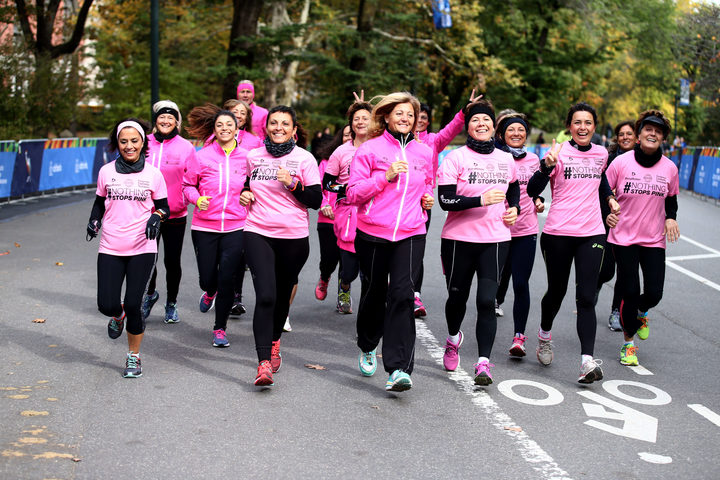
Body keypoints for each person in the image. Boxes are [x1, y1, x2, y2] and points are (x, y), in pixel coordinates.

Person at [345, 92, 434, 392]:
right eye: (399, 113)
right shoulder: (370, 149)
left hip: (411, 232)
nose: (405, 119)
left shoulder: (424, 152)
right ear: (385, 116)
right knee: (373, 292)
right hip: (372, 232)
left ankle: (398, 368)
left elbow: (427, 182)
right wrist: (385, 177)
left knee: (402, 295)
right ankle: (368, 343)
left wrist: (427, 198)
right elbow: (353, 193)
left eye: (410, 114)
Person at [527, 102, 619, 384]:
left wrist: (609, 199)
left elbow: (600, 178)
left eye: (588, 122)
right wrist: (546, 165)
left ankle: (586, 362)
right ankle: (544, 335)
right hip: (558, 232)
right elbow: (532, 190)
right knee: (557, 290)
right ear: (570, 126)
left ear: (594, 126)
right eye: (577, 122)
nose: (583, 127)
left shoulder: (602, 153)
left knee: (587, 297)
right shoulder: (558, 153)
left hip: (592, 232)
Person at [437, 99, 520, 385]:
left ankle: (483, 362)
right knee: (457, 297)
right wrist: (480, 200)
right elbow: (445, 200)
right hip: (458, 240)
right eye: (475, 120)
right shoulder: (455, 158)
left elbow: (514, 188)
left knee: (487, 301)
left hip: (495, 239)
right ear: (468, 127)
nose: (481, 124)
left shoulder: (506, 158)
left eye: (486, 120)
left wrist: (514, 209)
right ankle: (452, 339)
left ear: (493, 125)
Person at [240, 105, 322, 387]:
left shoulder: (304, 159)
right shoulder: (254, 157)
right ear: (267, 128)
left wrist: (293, 184)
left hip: (293, 238)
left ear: (294, 130)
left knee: (281, 295)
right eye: (273, 123)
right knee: (265, 296)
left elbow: (315, 199)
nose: (278, 128)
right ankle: (263, 362)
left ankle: (275, 339)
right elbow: (246, 184)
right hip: (257, 231)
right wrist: (245, 194)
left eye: (284, 124)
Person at [87, 118, 169, 377]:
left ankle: (133, 356)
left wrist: (157, 216)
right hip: (111, 244)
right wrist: (93, 220)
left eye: (134, 141)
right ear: (117, 144)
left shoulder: (153, 174)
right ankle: (117, 314)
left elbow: (164, 206)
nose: (129, 146)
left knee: (134, 304)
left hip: (142, 247)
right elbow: (99, 202)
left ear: (143, 142)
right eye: (124, 141)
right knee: (106, 304)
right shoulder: (106, 171)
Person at [605, 110, 679, 366]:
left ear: (663, 139)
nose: (653, 134)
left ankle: (642, 311)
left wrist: (671, 217)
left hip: (653, 239)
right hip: (623, 237)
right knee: (630, 290)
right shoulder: (621, 163)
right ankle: (628, 344)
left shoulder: (669, 168)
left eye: (658, 132)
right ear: (639, 134)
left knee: (654, 293)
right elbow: (603, 190)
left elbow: (671, 198)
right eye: (649, 129)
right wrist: (608, 211)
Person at [183, 104, 248, 348]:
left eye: (229, 124)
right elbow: (187, 185)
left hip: (236, 225)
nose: (224, 128)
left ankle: (220, 328)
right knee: (207, 278)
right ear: (214, 129)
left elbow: (254, 186)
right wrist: (196, 198)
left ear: (237, 128)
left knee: (227, 278)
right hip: (205, 226)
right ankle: (209, 291)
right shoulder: (201, 156)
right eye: (219, 125)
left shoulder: (247, 158)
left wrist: (249, 195)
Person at [410, 97, 478, 317]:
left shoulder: (433, 141)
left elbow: (450, 130)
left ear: (428, 121)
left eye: (423, 118)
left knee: (415, 249)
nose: (419, 121)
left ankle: (414, 295)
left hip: (422, 202)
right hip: (395, 202)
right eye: (415, 116)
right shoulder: (396, 138)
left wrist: (463, 112)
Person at [493, 113, 545, 358]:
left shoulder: (534, 159)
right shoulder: (493, 157)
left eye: (521, 130)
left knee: (521, 284)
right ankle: (487, 328)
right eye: (511, 130)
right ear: (502, 134)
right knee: (492, 282)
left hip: (526, 230)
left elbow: (535, 189)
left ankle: (519, 337)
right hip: (496, 229)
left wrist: (539, 200)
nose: (516, 133)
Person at [141, 101, 196, 324]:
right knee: (147, 260)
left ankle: (171, 303)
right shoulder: (144, 143)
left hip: (174, 213)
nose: (165, 121)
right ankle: (150, 294)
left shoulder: (186, 147)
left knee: (172, 262)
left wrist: (186, 200)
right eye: (161, 117)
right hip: (146, 212)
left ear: (176, 122)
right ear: (156, 120)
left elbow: (192, 179)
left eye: (170, 118)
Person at [323, 101, 373, 314]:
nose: (361, 122)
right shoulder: (341, 152)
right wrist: (346, 188)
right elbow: (328, 182)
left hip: (373, 215)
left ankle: (366, 317)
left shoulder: (380, 148)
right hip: (348, 217)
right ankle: (344, 286)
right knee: (350, 271)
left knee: (369, 274)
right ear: (351, 124)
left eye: (365, 118)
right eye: (356, 119)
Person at [222, 98, 263, 316]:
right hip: (219, 205)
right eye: (233, 111)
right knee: (222, 256)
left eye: (242, 113)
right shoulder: (213, 138)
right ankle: (220, 290)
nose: (238, 115)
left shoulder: (254, 141)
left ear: (247, 118)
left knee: (239, 253)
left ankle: (235, 296)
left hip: (244, 202)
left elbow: (258, 169)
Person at [598, 120, 637, 331]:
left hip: (630, 227)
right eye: (621, 134)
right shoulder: (610, 159)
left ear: (636, 137)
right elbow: (601, 189)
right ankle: (592, 291)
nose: (625, 137)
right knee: (606, 271)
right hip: (608, 221)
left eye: (629, 134)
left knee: (624, 272)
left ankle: (616, 311)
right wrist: (606, 214)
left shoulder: (643, 160)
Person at [313, 125, 351, 304]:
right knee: (329, 258)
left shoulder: (365, 158)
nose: (350, 137)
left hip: (352, 218)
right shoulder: (327, 162)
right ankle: (324, 277)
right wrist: (324, 204)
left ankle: (344, 292)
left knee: (348, 260)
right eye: (346, 135)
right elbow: (319, 186)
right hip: (328, 218)